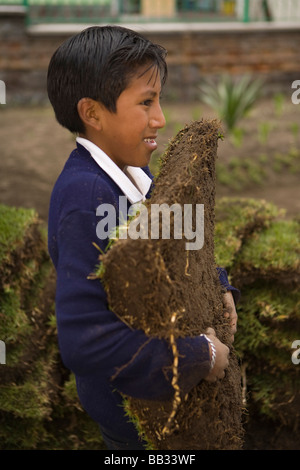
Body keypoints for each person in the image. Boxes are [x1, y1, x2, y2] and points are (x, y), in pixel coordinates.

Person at [47, 25, 240, 450]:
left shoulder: (134, 174)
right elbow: (85, 343)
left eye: (159, 100)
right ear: (93, 113)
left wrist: (218, 285)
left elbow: (169, 253)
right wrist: (201, 356)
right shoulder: (88, 196)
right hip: (132, 419)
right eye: (146, 102)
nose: (161, 119)